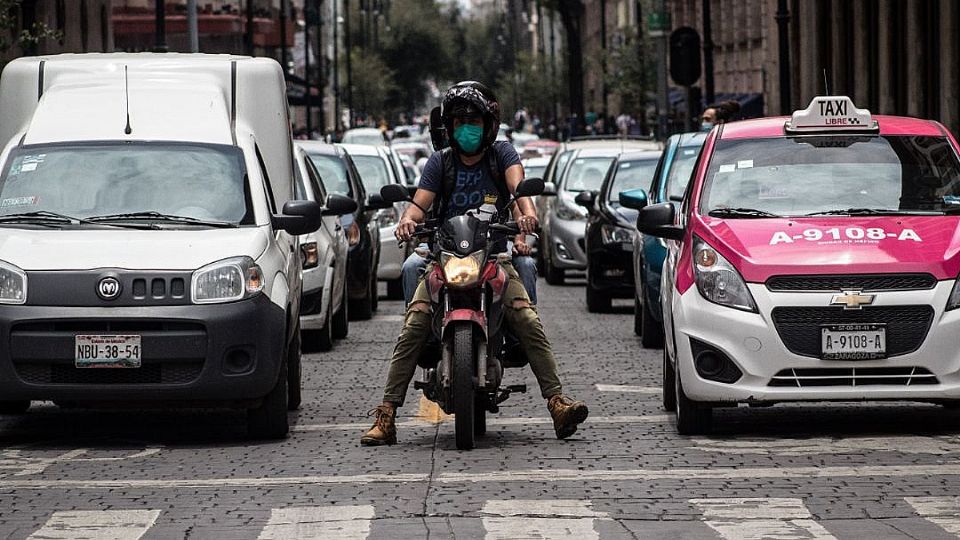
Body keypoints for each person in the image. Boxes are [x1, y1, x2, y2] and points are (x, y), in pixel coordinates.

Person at [361, 81, 588, 446]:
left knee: (527, 318)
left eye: (474, 121)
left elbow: (518, 193)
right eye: (459, 121)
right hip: (444, 259)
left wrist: (526, 218)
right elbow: (420, 203)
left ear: (489, 125)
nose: (466, 127)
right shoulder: (440, 162)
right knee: (414, 323)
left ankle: (557, 401)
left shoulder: (502, 155)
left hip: (493, 258)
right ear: (448, 127)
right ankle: (386, 414)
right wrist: (408, 219)